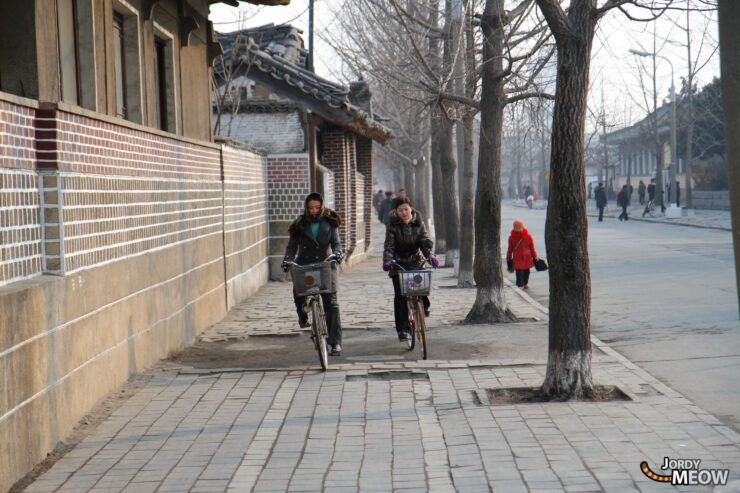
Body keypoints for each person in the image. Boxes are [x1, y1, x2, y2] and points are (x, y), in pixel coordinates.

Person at [282, 193, 344, 356]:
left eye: (317, 207)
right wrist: (288, 260)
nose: (314, 211)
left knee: (332, 302)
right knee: (299, 292)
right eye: (311, 208)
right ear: (306, 208)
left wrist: (337, 254)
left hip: (325, 264)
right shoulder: (300, 224)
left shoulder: (330, 222)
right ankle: (303, 316)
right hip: (305, 263)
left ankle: (335, 342)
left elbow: (336, 243)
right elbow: (291, 247)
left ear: (322, 206)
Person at [382, 197, 439, 342]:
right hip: (398, 264)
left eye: (406, 209)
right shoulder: (392, 226)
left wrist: (431, 257)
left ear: (411, 209)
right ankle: (402, 329)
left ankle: (423, 307)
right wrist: (388, 261)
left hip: (415, 261)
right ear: (396, 212)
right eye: (400, 210)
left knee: (422, 287)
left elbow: (425, 243)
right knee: (400, 296)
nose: (404, 212)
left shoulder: (419, 224)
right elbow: (389, 246)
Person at [506, 219, 539, 290]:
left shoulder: (528, 236)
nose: (518, 229)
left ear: (523, 227)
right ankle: (520, 284)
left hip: (527, 257)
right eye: (516, 227)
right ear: (514, 228)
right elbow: (510, 249)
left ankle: (525, 283)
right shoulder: (511, 237)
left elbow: (532, 248)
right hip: (517, 258)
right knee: (519, 272)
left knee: (527, 271)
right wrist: (508, 258)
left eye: (519, 227)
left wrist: (535, 256)